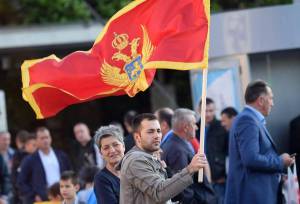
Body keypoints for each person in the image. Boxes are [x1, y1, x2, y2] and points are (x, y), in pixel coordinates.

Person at [225, 80, 295, 204]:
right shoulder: (247, 120)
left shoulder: (249, 119)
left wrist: (278, 176)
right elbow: (251, 159)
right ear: (261, 100)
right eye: (271, 98)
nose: (273, 103)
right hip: (252, 197)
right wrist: (280, 162)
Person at [120, 113, 208, 204]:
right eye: (150, 132)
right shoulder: (135, 161)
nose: (157, 136)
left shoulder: (150, 157)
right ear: (137, 137)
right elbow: (159, 192)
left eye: (158, 131)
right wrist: (190, 169)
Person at [161, 108, 217, 204]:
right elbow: (182, 186)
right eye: (194, 124)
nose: (196, 127)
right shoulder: (177, 149)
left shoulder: (177, 143)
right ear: (186, 127)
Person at [18, 127, 71, 203]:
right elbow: (21, 182)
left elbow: (70, 175)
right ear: (36, 141)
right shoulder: (30, 160)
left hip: (63, 197)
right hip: (43, 200)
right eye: (42, 138)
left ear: (50, 138)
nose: (45, 140)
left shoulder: (61, 156)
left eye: (47, 137)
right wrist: (33, 196)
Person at [196, 98, 228, 203]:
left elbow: (229, 153)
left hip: (220, 180)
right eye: (205, 111)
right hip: (200, 180)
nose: (208, 114)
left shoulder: (222, 127)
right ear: (199, 110)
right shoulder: (195, 128)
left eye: (211, 111)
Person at [94, 125, 125, 204]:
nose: (112, 150)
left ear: (123, 146)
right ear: (101, 153)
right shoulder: (101, 179)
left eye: (115, 144)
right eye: (106, 148)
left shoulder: (135, 170)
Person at [11, 133, 37, 204]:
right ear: (27, 145)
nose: (36, 147)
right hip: (24, 196)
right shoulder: (20, 156)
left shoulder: (37, 156)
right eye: (34, 145)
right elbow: (17, 179)